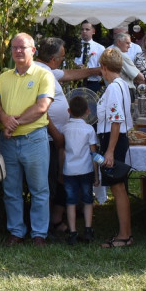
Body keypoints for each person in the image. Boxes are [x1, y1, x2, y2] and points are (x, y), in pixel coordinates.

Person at [0, 33, 55, 247]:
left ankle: (39, 234)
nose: (18, 51)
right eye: (15, 48)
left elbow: (42, 107)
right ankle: (16, 232)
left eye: (23, 47)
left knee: (39, 189)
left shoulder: (43, 75)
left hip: (34, 140)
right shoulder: (3, 77)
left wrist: (13, 124)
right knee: (11, 190)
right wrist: (4, 118)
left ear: (33, 50)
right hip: (8, 142)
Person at [36, 37, 98, 235]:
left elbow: (70, 74)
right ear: (53, 59)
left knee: (63, 177)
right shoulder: (39, 73)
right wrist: (56, 134)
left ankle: (57, 219)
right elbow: (40, 110)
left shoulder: (47, 69)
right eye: (62, 57)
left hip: (60, 139)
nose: (63, 61)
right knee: (56, 180)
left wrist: (95, 71)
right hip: (52, 139)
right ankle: (51, 223)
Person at [96, 47, 135, 248]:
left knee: (118, 188)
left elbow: (116, 120)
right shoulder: (122, 84)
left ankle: (124, 235)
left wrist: (109, 150)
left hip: (113, 139)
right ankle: (125, 232)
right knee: (119, 188)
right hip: (116, 138)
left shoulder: (112, 88)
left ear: (103, 67)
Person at [61, 95, 98, 245]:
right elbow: (93, 153)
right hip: (86, 169)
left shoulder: (64, 129)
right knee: (88, 200)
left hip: (69, 170)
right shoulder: (89, 129)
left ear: (68, 110)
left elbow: (62, 151)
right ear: (88, 111)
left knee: (70, 201)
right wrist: (96, 174)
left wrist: (60, 171)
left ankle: (73, 232)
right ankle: (88, 229)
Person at [76, 21, 103, 93]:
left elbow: (102, 69)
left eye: (87, 29)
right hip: (76, 82)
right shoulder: (75, 46)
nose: (84, 31)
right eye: (82, 29)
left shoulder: (100, 48)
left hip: (92, 83)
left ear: (93, 31)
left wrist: (86, 70)